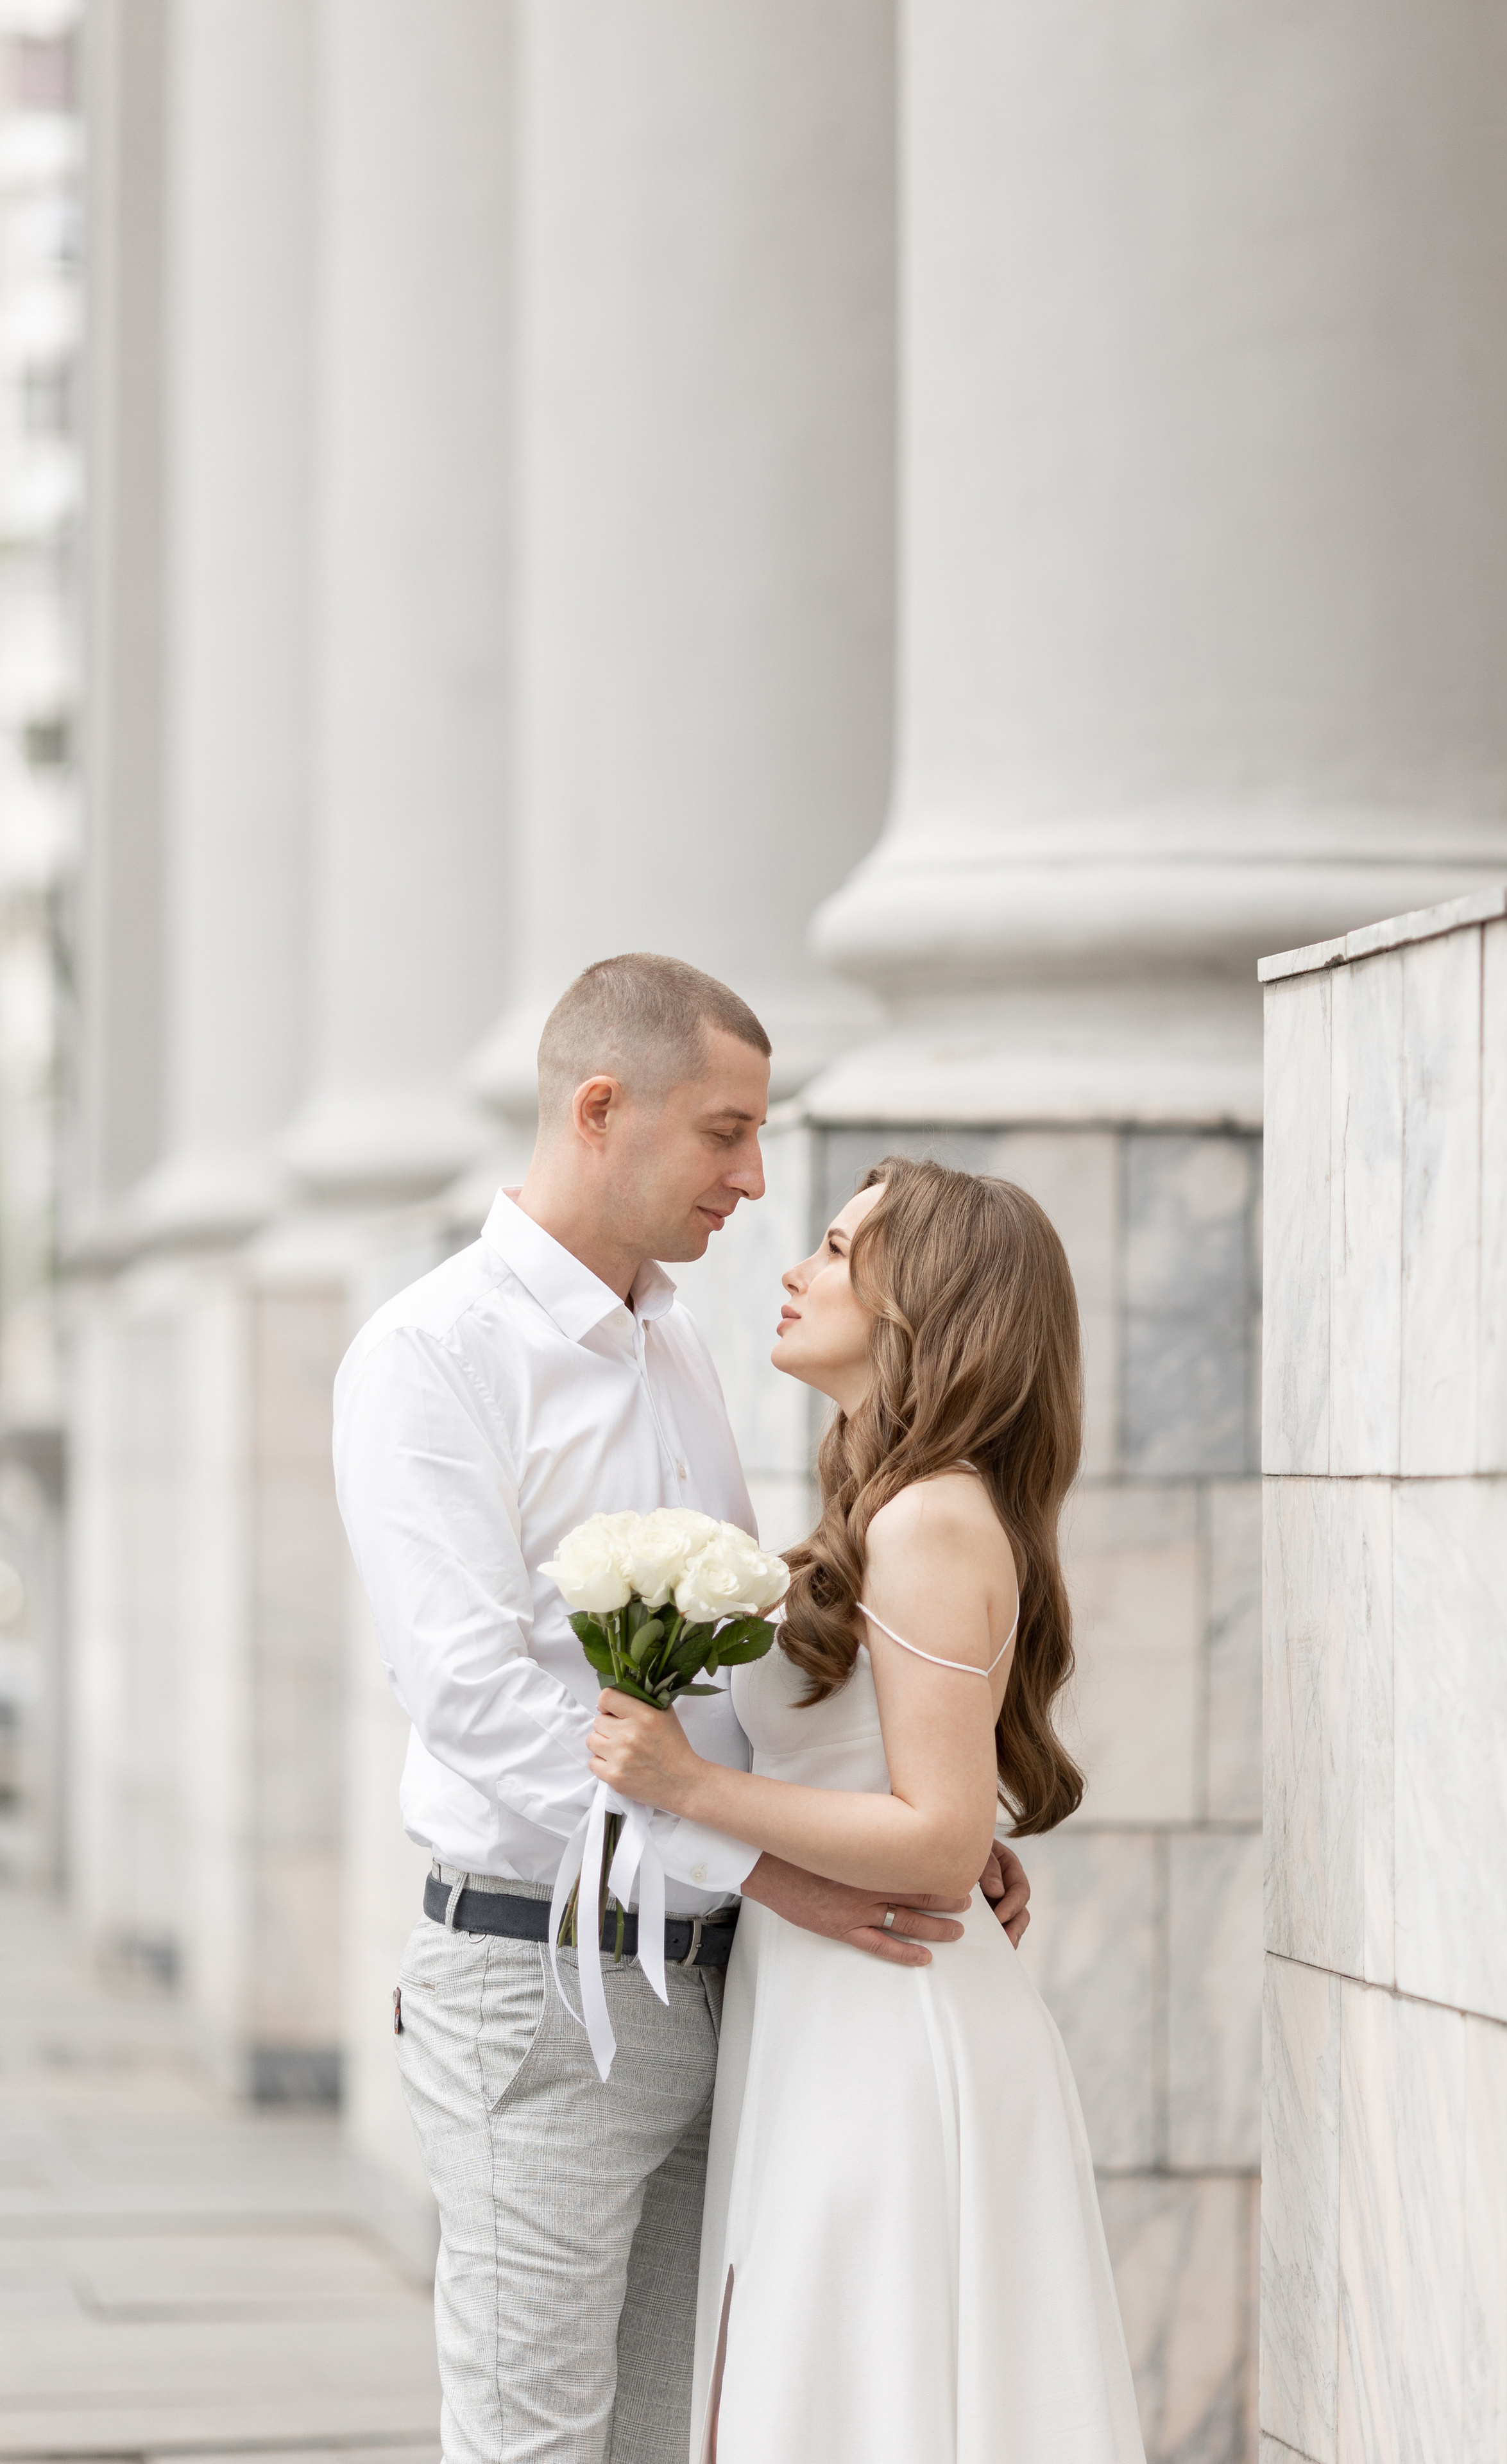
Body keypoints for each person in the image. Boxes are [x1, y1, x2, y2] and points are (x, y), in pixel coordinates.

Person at [332, 954, 1031, 2464]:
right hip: (543, 1982)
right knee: (532, 2444)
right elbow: (472, 1698)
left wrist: (905, 1813)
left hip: (724, 1990)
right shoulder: (432, 1356)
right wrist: (773, 1865)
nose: (753, 1176)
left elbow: (725, 1678)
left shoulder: (679, 1342)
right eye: (725, 1131)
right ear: (602, 1109)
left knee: (663, 2439)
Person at [590, 1156, 1148, 2464]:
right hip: (829, 2004)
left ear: (926, 1306)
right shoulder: (893, 1508)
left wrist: (687, 1787)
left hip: (889, 2025)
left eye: (837, 1251)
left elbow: (942, 1841)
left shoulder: (928, 1520)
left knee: (867, 2400)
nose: (794, 1269)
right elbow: (915, 1792)